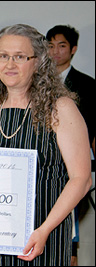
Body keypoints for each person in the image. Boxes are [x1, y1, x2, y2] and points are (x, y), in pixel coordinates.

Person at [0, 24, 92, 266]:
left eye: (20, 57)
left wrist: (44, 230)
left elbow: (82, 179)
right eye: (3, 56)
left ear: (37, 62)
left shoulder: (60, 108)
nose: (9, 64)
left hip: (45, 235)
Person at [46, 24, 95, 267]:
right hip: (46, 164)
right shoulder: (36, 84)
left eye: (62, 45)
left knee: (69, 234)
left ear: (73, 49)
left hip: (75, 165)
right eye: (50, 46)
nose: (55, 51)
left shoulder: (88, 85)